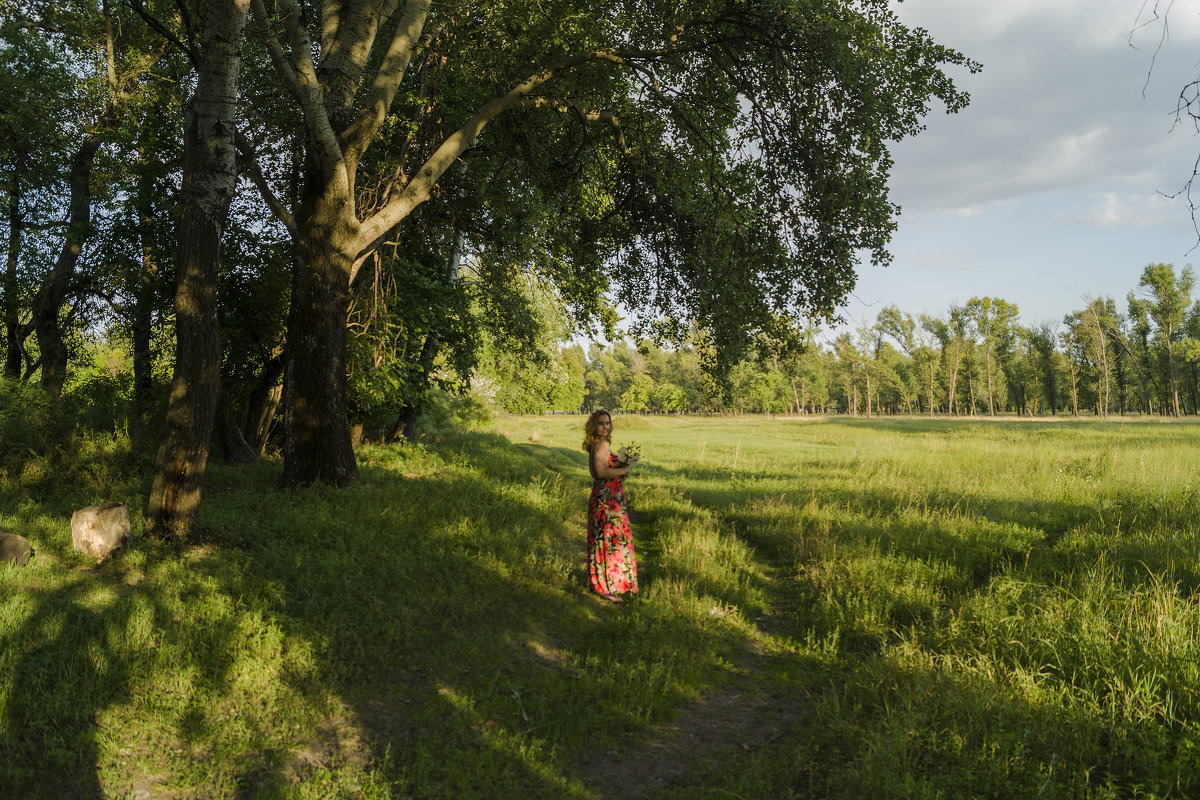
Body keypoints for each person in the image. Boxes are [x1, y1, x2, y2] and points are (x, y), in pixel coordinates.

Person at [582, 409, 639, 602]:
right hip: (607, 501)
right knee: (611, 539)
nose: (605, 427)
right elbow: (600, 472)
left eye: (607, 423)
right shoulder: (602, 445)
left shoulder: (597, 444)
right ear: (594, 426)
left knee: (608, 539)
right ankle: (608, 585)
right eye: (601, 423)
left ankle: (608, 583)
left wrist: (620, 470)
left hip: (609, 498)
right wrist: (623, 470)